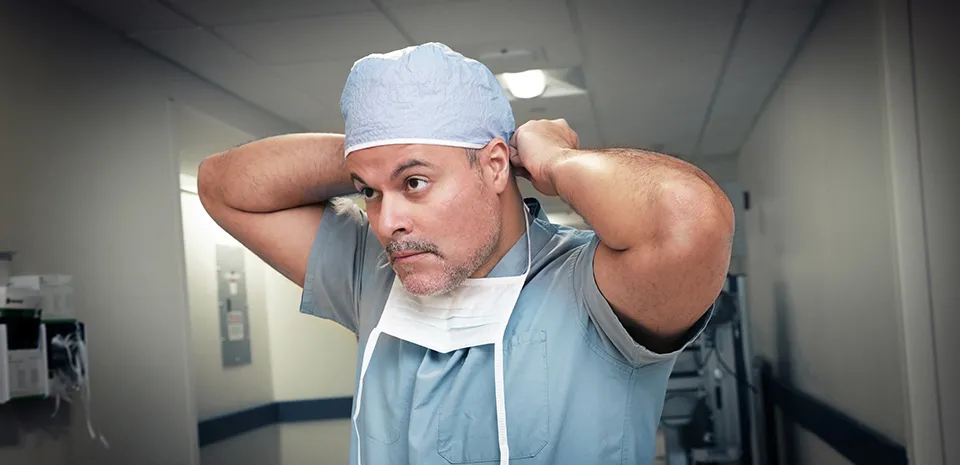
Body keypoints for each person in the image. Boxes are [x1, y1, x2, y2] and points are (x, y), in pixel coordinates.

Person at [197, 43, 734, 465]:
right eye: (369, 192)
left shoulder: (595, 290)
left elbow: (689, 218)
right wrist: (383, 149)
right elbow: (223, 186)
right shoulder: (377, 278)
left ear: (496, 166)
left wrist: (553, 160)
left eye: (415, 182)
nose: (386, 222)